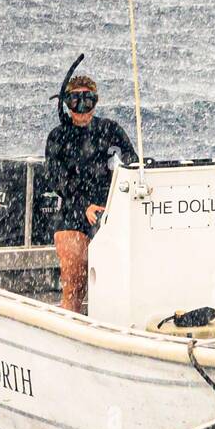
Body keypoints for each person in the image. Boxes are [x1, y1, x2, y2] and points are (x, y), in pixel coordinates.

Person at [44, 75, 137, 313]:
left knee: (119, 278)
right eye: (76, 102)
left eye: (88, 101)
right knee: (74, 274)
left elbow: (132, 165)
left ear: (96, 102)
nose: (82, 109)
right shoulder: (58, 137)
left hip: (109, 212)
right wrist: (84, 205)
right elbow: (58, 180)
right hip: (73, 213)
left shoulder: (110, 130)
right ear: (67, 103)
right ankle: (70, 317)